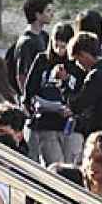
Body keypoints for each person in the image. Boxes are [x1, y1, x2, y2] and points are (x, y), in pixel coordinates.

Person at [24, 22, 77, 165]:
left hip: (69, 125)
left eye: (64, 47)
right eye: (56, 46)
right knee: (55, 166)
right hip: (46, 122)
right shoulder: (42, 60)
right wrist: (32, 107)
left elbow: (79, 90)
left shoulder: (75, 64)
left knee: (70, 166)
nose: (60, 50)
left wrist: (66, 80)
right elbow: (30, 90)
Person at [14, 0, 55, 85]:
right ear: (37, 14)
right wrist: (27, 97)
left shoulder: (45, 36)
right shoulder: (26, 41)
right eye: (48, 11)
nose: (52, 14)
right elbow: (21, 76)